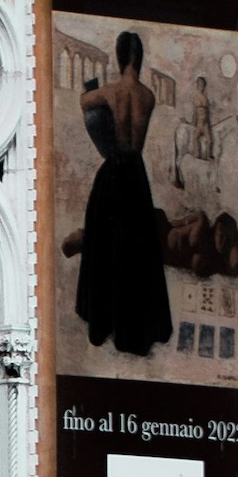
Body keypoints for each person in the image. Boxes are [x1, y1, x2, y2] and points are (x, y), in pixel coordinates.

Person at [71, 27, 172, 358]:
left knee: (106, 243)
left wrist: (93, 90)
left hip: (114, 169)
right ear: (139, 59)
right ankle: (134, 329)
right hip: (136, 172)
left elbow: (86, 102)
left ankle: (104, 322)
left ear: (118, 57)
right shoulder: (148, 96)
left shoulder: (112, 92)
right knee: (136, 251)